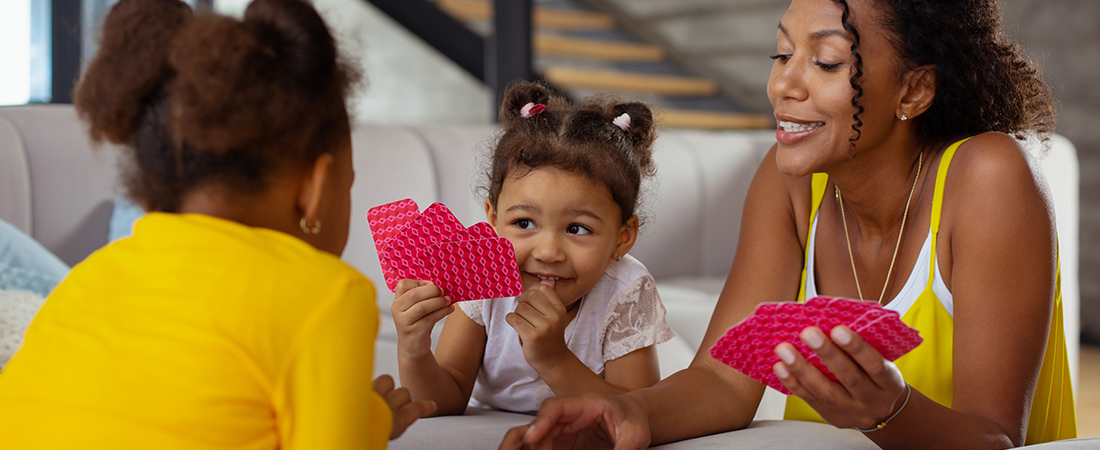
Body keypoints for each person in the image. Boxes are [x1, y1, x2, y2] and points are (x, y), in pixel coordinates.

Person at [501, 0, 1076, 448]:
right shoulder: (790, 185)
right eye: (781, 55)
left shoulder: (989, 178)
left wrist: (887, 411)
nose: (783, 85)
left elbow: (996, 438)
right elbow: (725, 382)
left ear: (914, 89)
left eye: (825, 62)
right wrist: (626, 411)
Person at [0, 0, 433, 448]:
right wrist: (370, 427)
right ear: (316, 186)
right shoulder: (327, 295)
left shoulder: (85, 279)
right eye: (349, 182)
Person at [392, 81, 675, 415]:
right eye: (524, 223)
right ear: (493, 220)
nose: (548, 251)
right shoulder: (481, 275)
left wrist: (553, 358)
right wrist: (414, 350)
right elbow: (444, 399)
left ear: (622, 238)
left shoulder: (626, 291)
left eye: (576, 228)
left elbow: (635, 412)